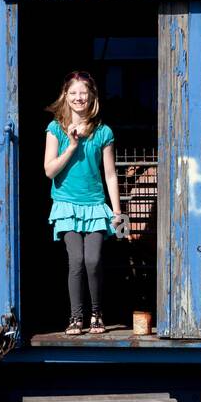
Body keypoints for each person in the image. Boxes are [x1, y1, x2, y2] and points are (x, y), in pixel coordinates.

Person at [43, 71, 125, 335]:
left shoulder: (104, 132)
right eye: (73, 93)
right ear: (65, 96)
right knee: (76, 260)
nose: (79, 98)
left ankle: (97, 314)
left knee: (93, 260)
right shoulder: (55, 128)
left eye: (83, 93)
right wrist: (71, 145)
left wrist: (117, 212)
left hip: (94, 206)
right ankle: (76, 318)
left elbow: (110, 174)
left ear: (92, 97)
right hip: (67, 204)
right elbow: (49, 170)